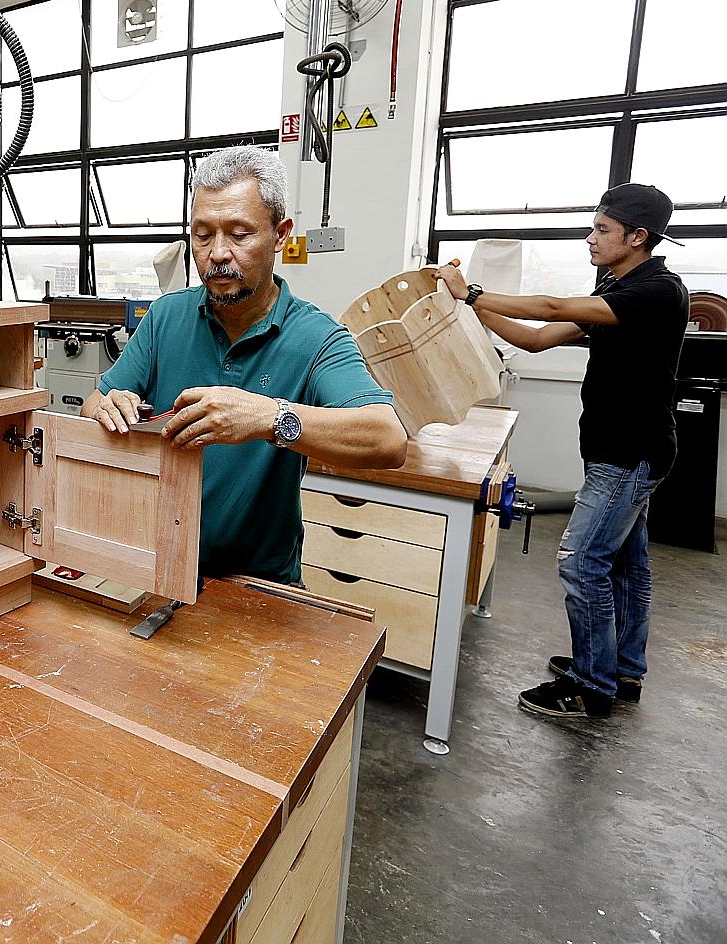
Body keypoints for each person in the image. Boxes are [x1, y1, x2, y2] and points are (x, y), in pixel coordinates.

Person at [81, 146, 407, 587]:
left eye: (239, 234)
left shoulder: (316, 337)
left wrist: (271, 418)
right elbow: (93, 403)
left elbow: (388, 439)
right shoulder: (164, 319)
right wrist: (107, 405)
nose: (217, 253)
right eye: (202, 235)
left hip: (258, 586)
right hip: (157, 565)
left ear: (281, 235)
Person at [437, 183, 688, 721]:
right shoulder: (617, 288)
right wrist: (472, 311)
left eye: (602, 229)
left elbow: (552, 303)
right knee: (624, 565)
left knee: (582, 561)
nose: (590, 239)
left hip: (629, 454)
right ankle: (620, 670)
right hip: (619, 451)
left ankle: (591, 684)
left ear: (638, 236)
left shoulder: (656, 292)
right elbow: (537, 338)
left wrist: (472, 291)